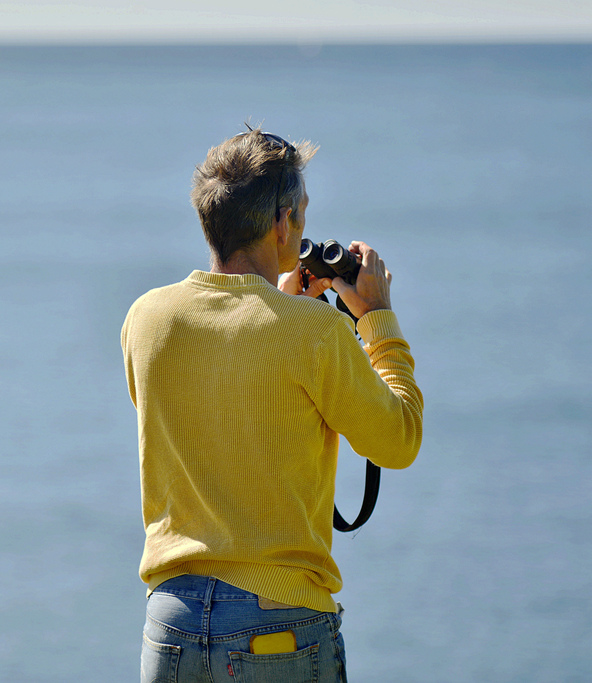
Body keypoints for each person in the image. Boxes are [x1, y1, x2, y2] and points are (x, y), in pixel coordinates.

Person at [120, 126, 423, 683]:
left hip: (170, 624)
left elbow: (218, 401)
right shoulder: (317, 333)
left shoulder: (147, 318)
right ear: (283, 224)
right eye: (301, 214)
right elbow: (398, 440)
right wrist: (377, 319)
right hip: (276, 629)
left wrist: (277, 306)